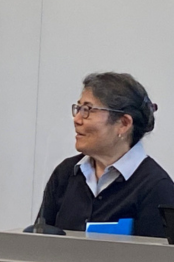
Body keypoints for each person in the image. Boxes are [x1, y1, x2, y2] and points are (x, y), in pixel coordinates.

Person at [39, 72, 174, 238]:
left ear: (123, 124)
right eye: (78, 108)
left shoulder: (156, 188)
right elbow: (39, 244)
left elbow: (155, 260)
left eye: (87, 110)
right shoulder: (66, 173)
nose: (77, 119)